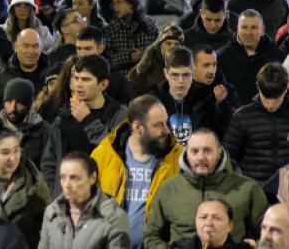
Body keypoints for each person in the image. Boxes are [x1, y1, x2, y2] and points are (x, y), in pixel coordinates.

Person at [143, 129, 269, 248]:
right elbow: (152, 235)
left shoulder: (247, 188)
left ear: (219, 153)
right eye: (195, 151)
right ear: (186, 154)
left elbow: (270, 232)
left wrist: (255, 245)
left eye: (207, 151)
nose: (201, 157)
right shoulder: (168, 189)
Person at [91, 96, 183, 248]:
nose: (166, 130)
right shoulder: (102, 156)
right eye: (158, 125)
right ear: (138, 127)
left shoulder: (180, 158)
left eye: (166, 122)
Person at [42, 55, 128, 196]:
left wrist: (88, 121)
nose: (79, 84)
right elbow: (49, 164)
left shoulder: (119, 114)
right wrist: (56, 196)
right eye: (76, 78)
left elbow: (117, 154)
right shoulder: (63, 120)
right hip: (67, 202)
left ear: (103, 85)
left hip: (103, 201)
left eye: (86, 79)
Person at [223, 63, 289, 184]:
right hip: (253, 189)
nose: (270, 105)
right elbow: (228, 158)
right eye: (266, 98)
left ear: (286, 88)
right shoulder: (242, 117)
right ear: (258, 87)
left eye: (276, 98)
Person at [0, 117, 50, 248]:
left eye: (16, 150)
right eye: (5, 153)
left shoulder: (34, 183)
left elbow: (48, 226)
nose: (13, 158)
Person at [38, 151, 130, 249]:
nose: (66, 185)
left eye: (74, 178)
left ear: (92, 178)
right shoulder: (52, 213)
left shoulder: (113, 218)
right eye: (63, 177)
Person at [148, 46, 226, 145]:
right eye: (175, 75)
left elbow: (217, 137)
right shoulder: (153, 100)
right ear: (166, 73)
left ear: (192, 73)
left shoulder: (206, 99)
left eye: (185, 75)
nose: (180, 81)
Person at [0, 79, 50, 169]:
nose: (13, 108)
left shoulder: (44, 131)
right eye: (9, 101)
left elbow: (48, 167)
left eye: (19, 103)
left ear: (29, 105)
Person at [0, 28, 49, 122]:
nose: (31, 51)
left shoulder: (51, 77)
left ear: (41, 48)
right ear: (16, 47)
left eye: (35, 46)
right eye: (26, 46)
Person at [217, 9, 285, 103]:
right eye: (244, 27)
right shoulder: (222, 56)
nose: (249, 32)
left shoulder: (277, 56)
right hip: (232, 115)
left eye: (254, 27)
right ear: (238, 29)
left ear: (263, 30)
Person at [105, 0, 159, 72]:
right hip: (123, 76)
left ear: (131, 5)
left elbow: (158, 49)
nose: (115, 6)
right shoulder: (113, 28)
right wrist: (128, 56)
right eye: (114, 3)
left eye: (119, 2)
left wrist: (141, 55)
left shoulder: (149, 24)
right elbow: (108, 58)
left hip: (147, 75)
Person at [126, 24, 184, 97]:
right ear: (160, 45)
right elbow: (135, 103)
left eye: (177, 44)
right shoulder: (140, 71)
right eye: (168, 43)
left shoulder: (189, 68)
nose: (173, 47)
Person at [172, 199, 252, 249]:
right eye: (203, 217)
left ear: (230, 225)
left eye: (216, 218)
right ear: (195, 221)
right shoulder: (179, 247)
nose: (208, 223)